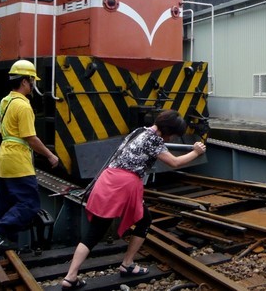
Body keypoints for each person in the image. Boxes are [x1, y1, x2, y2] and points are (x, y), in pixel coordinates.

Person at [61, 110, 207, 290]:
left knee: (95, 231)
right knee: (144, 221)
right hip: (124, 184)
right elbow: (174, 163)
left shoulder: (140, 131)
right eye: (174, 135)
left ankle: (70, 276)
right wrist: (196, 152)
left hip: (107, 179)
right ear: (168, 131)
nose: (173, 139)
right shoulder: (155, 140)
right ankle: (127, 264)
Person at [0, 60, 59, 251]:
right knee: (29, 204)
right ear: (24, 81)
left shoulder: (5, 101)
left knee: (7, 204)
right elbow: (30, 138)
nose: (33, 84)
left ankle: (8, 242)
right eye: (32, 80)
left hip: (4, 158)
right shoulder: (23, 106)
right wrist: (50, 156)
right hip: (18, 161)